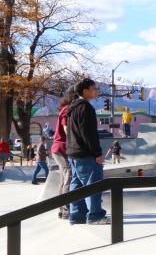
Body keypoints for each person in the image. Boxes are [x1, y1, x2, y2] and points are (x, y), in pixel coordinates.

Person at [66, 78, 109, 225]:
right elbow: (89, 134)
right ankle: (95, 216)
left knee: (76, 185)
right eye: (94, 88)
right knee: (93, 185)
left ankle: (76, 215)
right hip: (85, 154)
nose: (97, 91)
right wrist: (97, 153)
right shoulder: (86, 108)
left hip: (73, 153)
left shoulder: (71, 108)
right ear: (85, 91)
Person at [51, 92, 75, 219]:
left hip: (57, 148)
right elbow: (66, 129)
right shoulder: (66, 110)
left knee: (62, 180)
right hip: (61, 147)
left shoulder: (63, 109)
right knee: (68, 174)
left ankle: (61, 209)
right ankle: (66, 210)